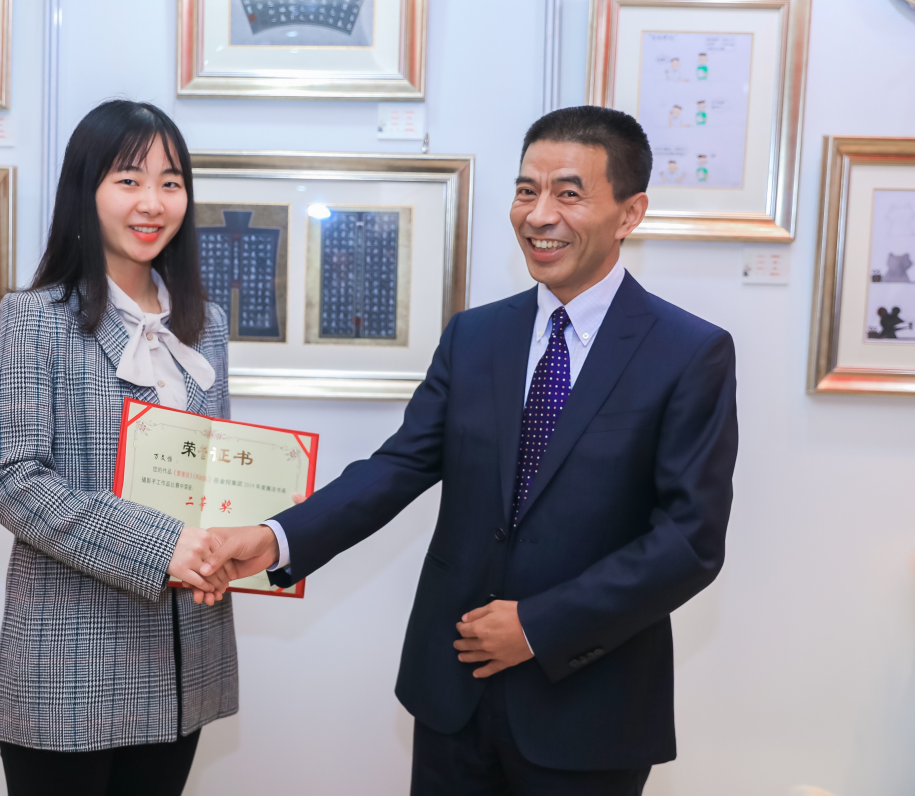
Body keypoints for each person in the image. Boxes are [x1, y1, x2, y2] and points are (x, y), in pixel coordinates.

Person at [206, 106, 739, 795]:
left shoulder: (688, 352)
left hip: (589, 707)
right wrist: (276, 537)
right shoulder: (475, 336)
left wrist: (537, 626)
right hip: (453, 694)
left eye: (568, 194)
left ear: (629, 212)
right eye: (526, 191)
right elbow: (400, 464)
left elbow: (689, 541)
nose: (539, 215)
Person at [0, 100, 235, 796]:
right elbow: (13, 480)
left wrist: (231, 542)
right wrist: (161, 546)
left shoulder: (205, 325)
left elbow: (215, 473)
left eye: (170, 182)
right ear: (85, 192)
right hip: (68, 660)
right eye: (128, 180)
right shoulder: (34, 318)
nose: (152, 202)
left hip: (184, 659)